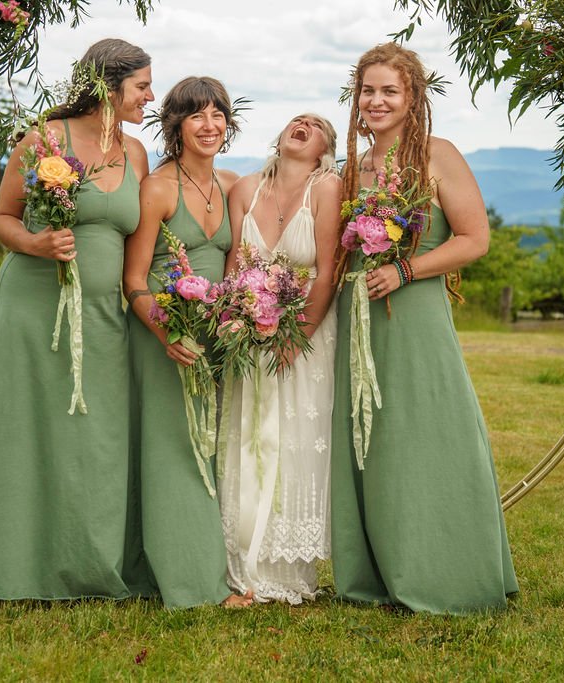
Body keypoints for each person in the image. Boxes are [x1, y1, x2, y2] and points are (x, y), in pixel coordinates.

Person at [0, 38, 154, 600]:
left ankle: (90, 557)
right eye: (141, 86)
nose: (149, 96)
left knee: (97, 435)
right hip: (34, 305)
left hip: (104, 314)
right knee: (29, 431)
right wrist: (36, 244)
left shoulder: (136, 153)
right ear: (107, 87)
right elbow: (2, 217)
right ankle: (15, 562)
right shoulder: (45, 139)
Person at [330, 42, 519, 614]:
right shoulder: (352, 168)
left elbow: (475, 239)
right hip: (357, 317)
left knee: (428, 434)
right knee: (373, 440)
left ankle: (447, 572)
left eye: (390, 90)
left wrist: (405, 269)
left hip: (415, 315)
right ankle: (381, 572)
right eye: (368, 91)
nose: (377, 101)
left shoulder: (438, 155)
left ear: (412, 97)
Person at [122, 76, 252, 609]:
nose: (209, 125)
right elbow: (133, 281)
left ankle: (215, 561)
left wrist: (239, 318)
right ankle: (194, 584)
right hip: (163, 335)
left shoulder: (232, 184)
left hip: (215, 337)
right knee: (177, 449)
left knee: (212, 446)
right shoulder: (158, 188)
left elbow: (238, 265)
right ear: (175, 125)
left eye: (217, 114)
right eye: (197, 115)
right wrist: (168, 333)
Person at [218, 114, 341, 604]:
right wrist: (236, 321)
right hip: (249, 333)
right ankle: (238, 562)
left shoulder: (327, 188)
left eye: (315, 124)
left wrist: (299, 337)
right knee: (245, 434)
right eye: (296, 119)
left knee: (294, 439)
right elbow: (234, 265)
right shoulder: (245, 189)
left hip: (306, 334)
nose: (303, 124)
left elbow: (328, 272)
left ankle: (288, 569)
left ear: (325, 148)